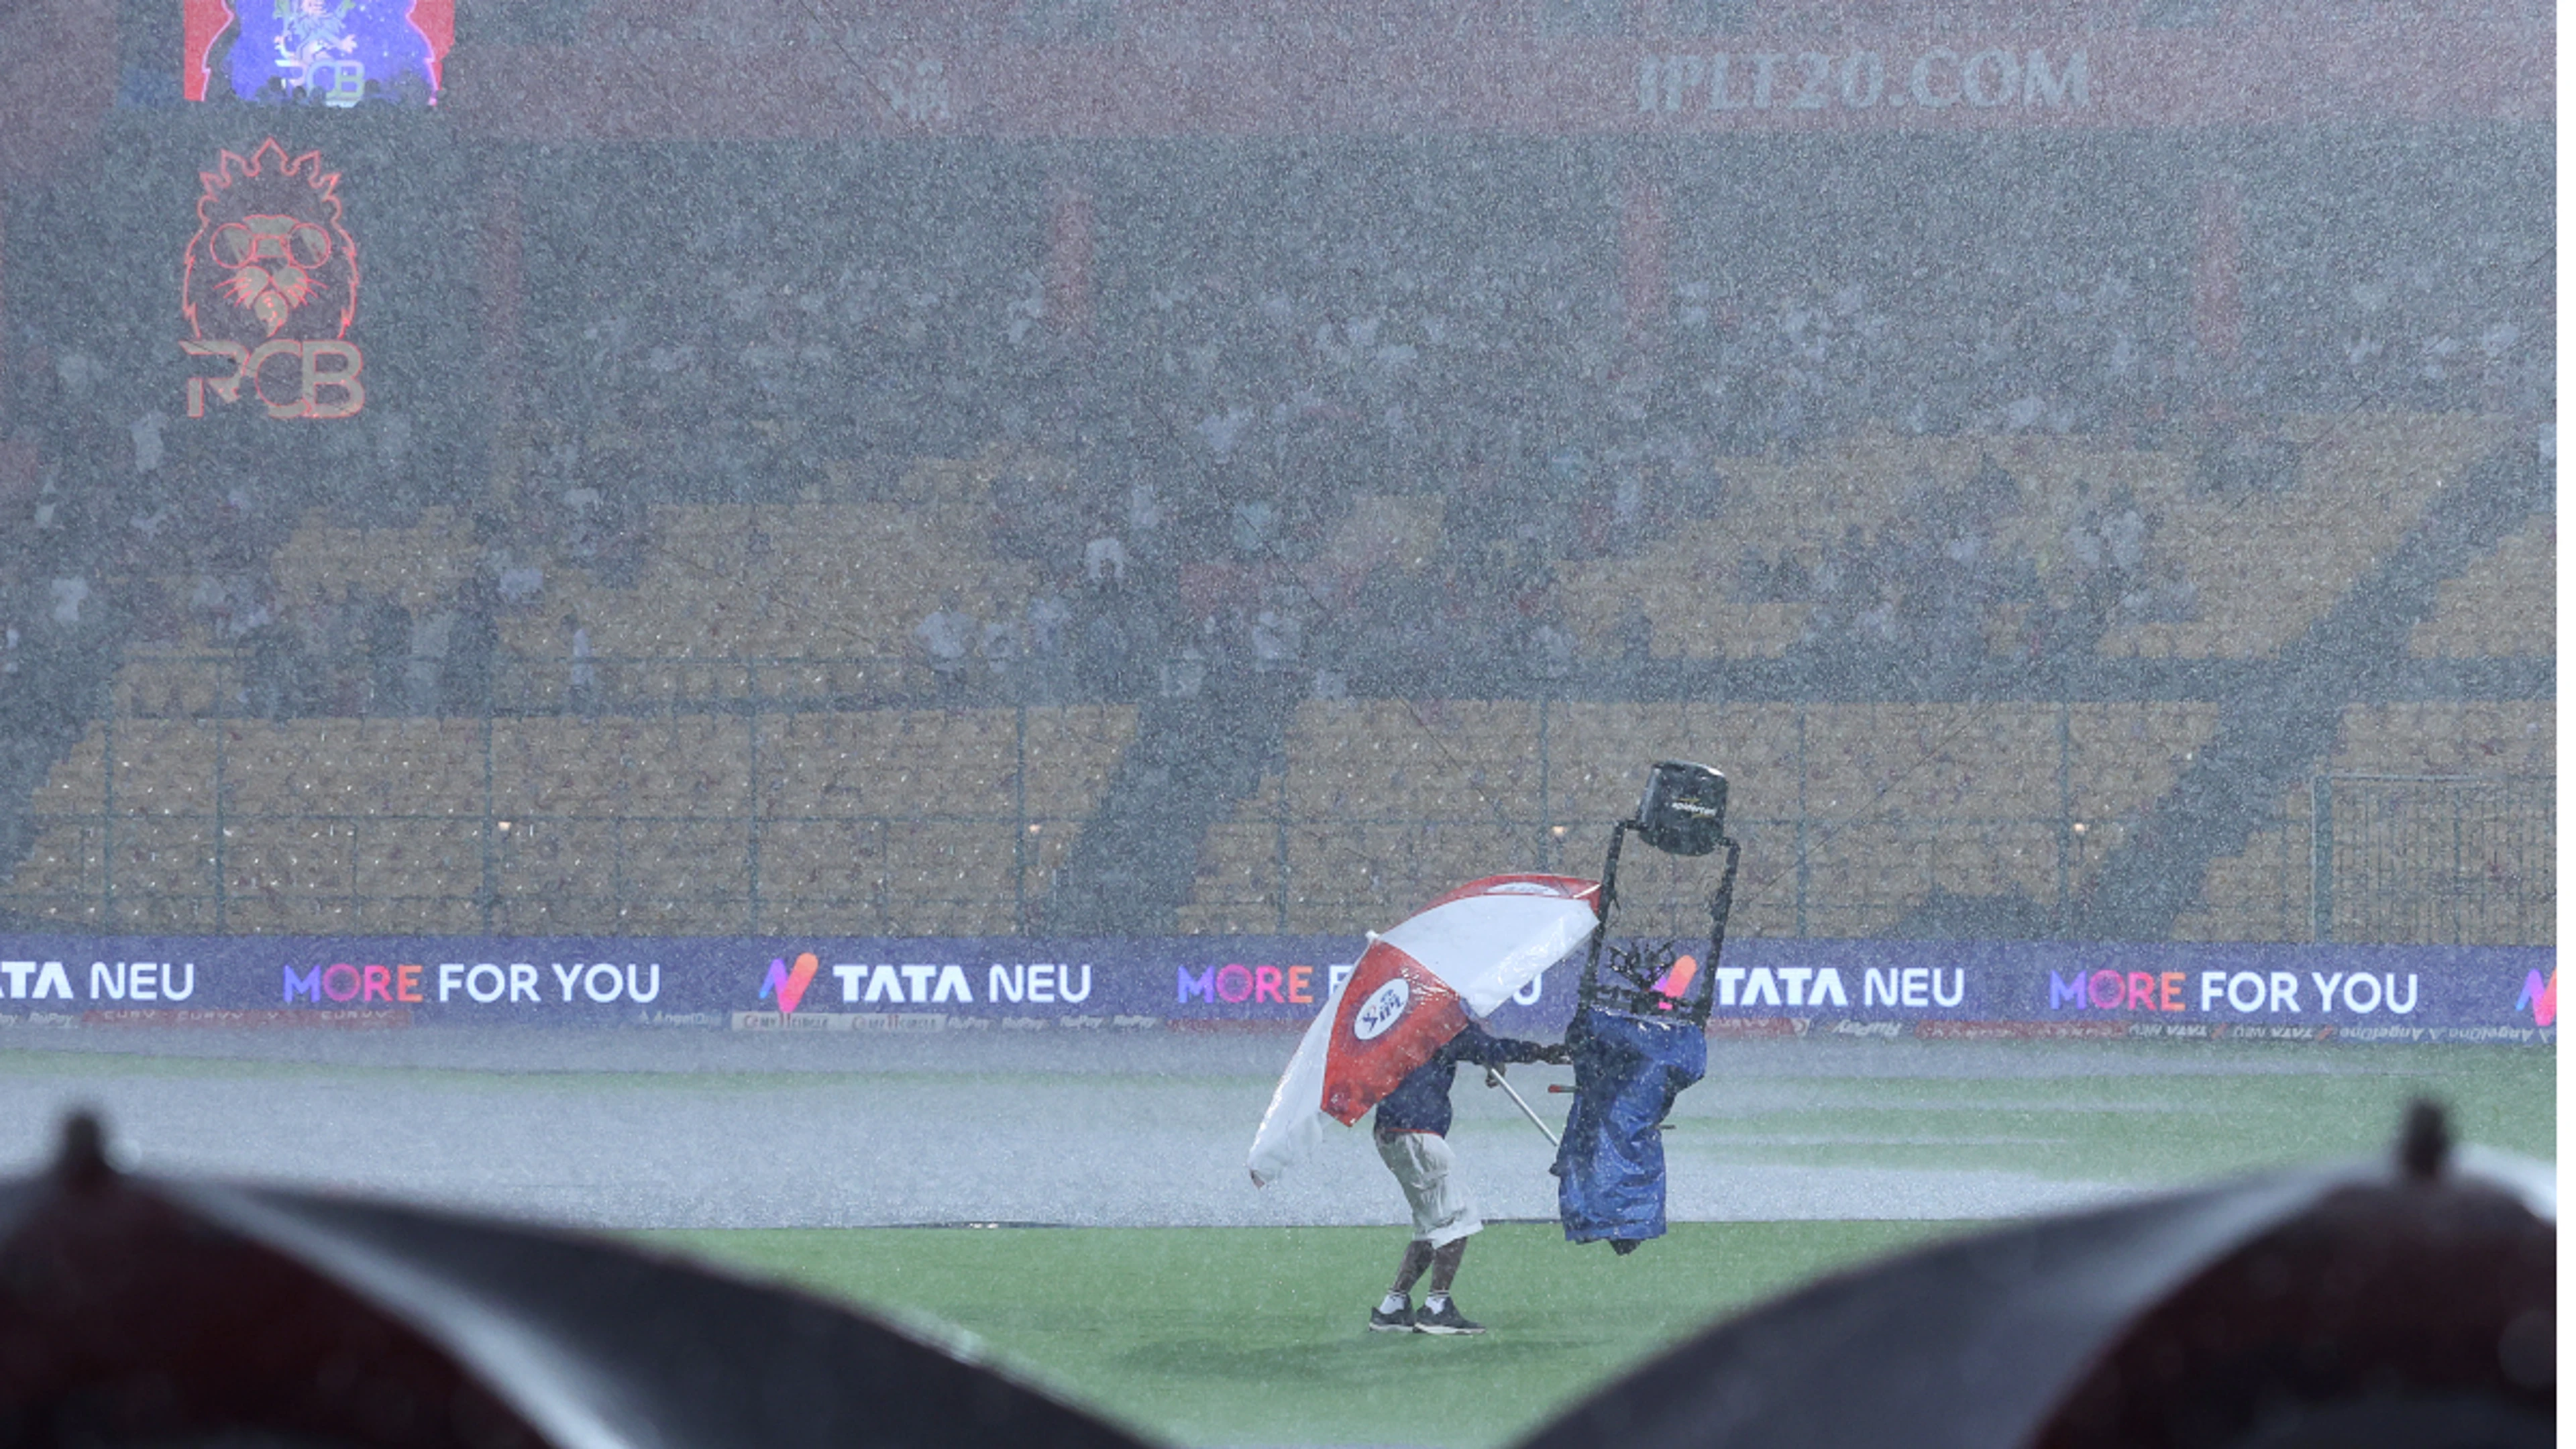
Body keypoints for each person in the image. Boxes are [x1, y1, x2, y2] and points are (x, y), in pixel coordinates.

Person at [1368, 1021, 1568, 1336]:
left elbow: (1480, 1049)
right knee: (1459, 1219)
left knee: (1431, 1224)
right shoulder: (1440, 1018)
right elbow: (1487, 1046)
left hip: (1389, 1133)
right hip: (1419, 1132)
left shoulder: (1403, 1023)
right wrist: (1542, 1053)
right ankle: (1437, 1308)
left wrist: (1489, 1056)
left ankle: (1393, 1307)